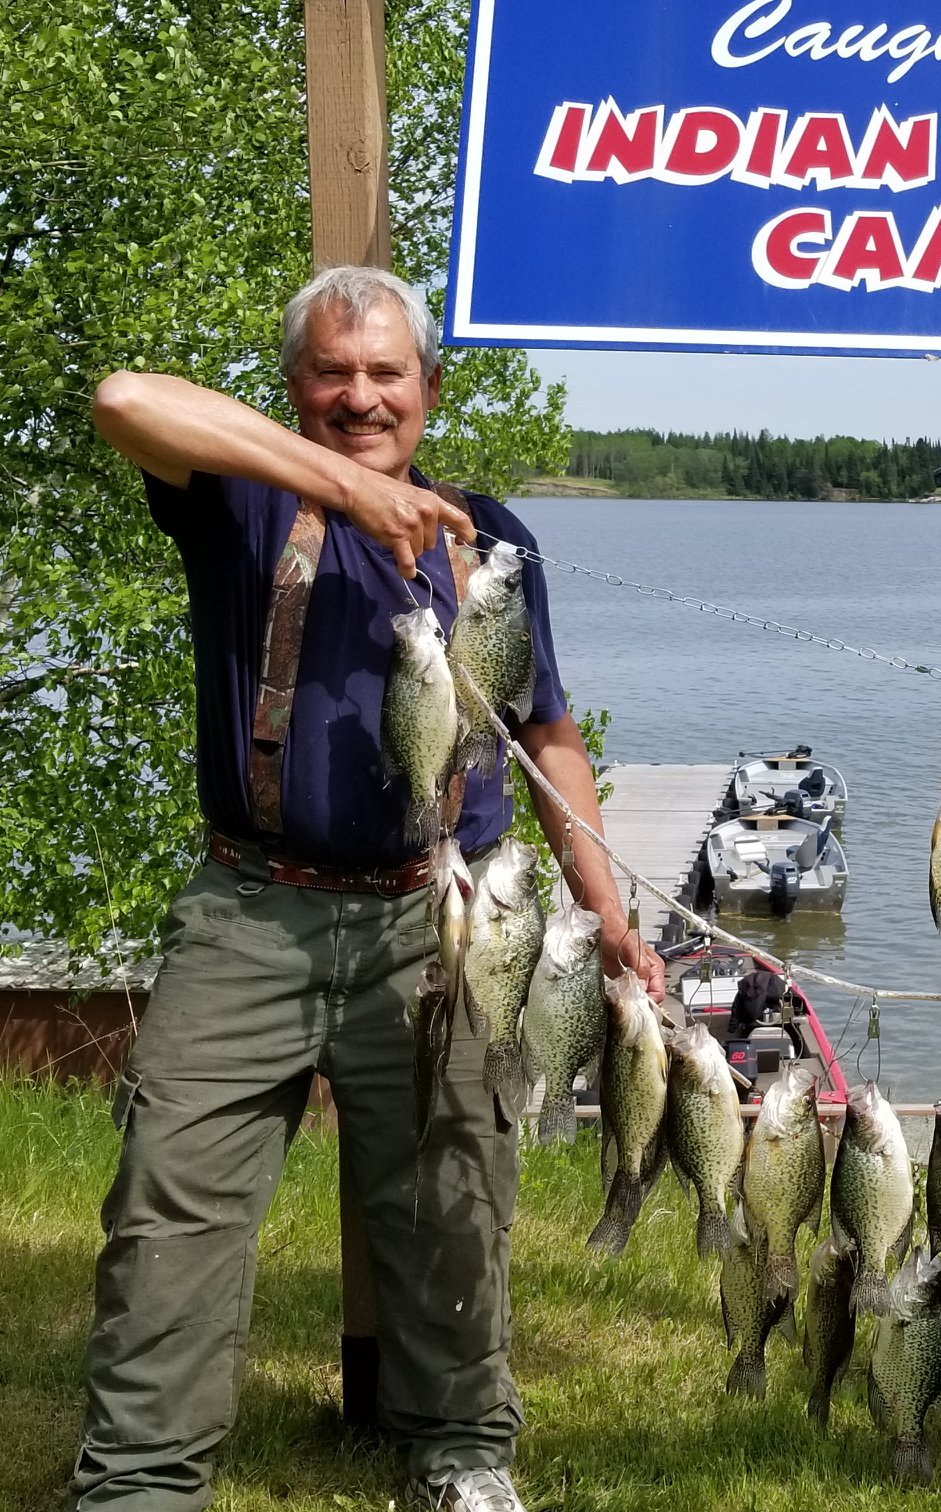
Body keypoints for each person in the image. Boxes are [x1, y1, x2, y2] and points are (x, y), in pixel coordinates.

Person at [75, 265, 662, 1512]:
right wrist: (340, 487)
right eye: (332, 374)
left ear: (429, 389)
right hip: (250, 911)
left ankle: (460, 1454)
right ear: (294, 389)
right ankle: (138, 1484)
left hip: (448, 919)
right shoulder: (240, 496)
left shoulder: (492, 541)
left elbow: (546, 733)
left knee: (457, 1197)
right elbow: (124, 397)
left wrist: (608, 916)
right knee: (166, 1214)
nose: (359, 397)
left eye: (386, 374)